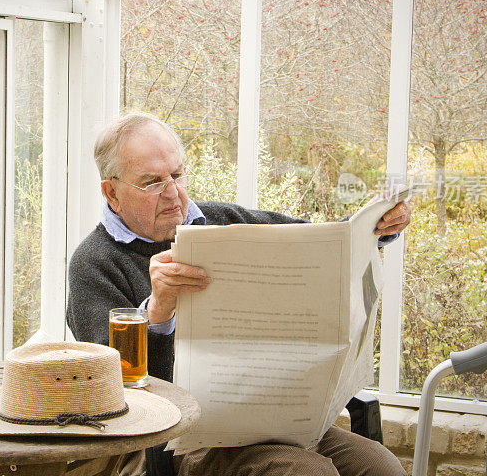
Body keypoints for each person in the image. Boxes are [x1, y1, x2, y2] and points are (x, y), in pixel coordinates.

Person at [67, 112, 411, 476]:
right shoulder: (94, 264)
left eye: (177, 174)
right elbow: (114, 386)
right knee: (306, 473)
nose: (173, 193)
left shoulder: (221, 221)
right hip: (184, 438)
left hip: (279, 416)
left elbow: (325, 243)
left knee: (381, 466)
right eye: (152, 182)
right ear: (112, 192)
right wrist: (158, 312)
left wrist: (377, 228)